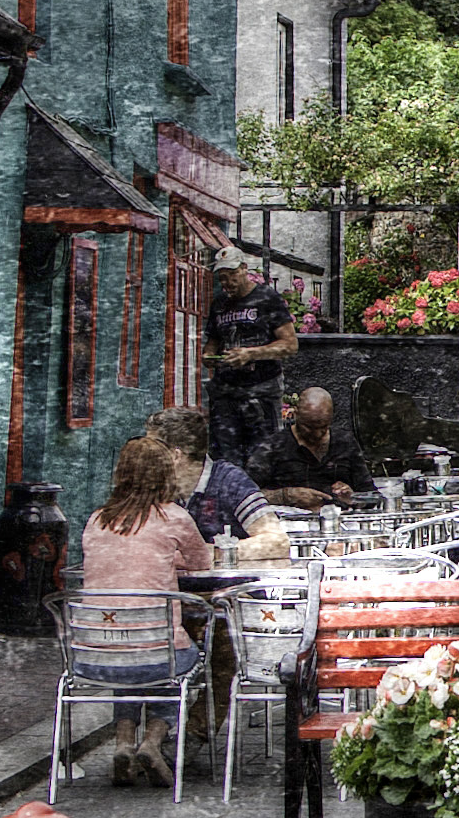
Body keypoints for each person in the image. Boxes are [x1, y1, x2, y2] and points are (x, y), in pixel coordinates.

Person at [73, 433, 207, 790]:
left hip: (93, 658)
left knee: (126, 647)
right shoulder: (174, 518)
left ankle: (122, 743)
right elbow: (202, 562)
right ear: (165, 475)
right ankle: (152, 741)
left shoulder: (96, 519)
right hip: (156, 657)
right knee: (171, 658)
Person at [205, 254, 298, 460]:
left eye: (231, 276)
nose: (227, 283)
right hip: (226, 394)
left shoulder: (267, 298)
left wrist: (251, 354)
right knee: (225, 457)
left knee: (264, 455)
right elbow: (212, 341)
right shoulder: (219, 304)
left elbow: (290, 345)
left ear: (244, 269)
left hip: (261, 391)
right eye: (222, 278)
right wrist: (210, 356)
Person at [251, 386, 372, 508]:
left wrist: (352, 497)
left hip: (339, 520)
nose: (317, 434)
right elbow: (245, 495)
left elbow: (371, 495)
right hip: (289, 522)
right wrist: (285, 496)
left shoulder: (345, 443)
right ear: (295, 414)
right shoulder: (274, 447)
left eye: (323, 427)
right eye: (309, 427)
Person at [157, 408, 263, 545]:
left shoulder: (231, 481)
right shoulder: (156, 486)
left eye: (153, 450)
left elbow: (276, 540)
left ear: (176, 456)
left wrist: (212, 554)